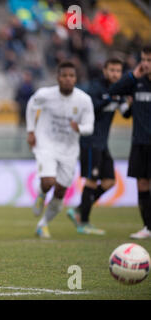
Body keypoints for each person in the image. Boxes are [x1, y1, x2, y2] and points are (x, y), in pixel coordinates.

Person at [26, 61, 94, 239]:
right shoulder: (46, 94)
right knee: (48, 181)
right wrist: (31, 130)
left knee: (60, 191)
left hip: (69, 150)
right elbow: (31, 106)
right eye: (64, 76)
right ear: (58, 77)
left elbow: (90, 126)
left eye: (71, 76)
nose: (68, 79)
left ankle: (43, 224)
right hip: (46, 144)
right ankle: (42, 194)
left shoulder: (84, 100)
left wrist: (79, 128)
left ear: (76, 78)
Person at [67, 58, 130, 235]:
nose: (115, 74)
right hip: (90, 142)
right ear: (105, 71)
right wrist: (112, 97)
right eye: (112, 70)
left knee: (109, 182)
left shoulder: (119, 90)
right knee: (92, 181)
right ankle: (83, 222)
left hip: (103, 143)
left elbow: (125, 113)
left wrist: (130, 103)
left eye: (118, 71)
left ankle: (79, 209)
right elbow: (91, 108)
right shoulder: (95, 88)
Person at [109, 45, 151, 239]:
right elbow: (114, 90)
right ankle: (147, 227)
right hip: (139, 142)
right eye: (143, 59)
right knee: (142, 185)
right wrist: (133, 75)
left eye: (149, 60)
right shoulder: (137, 82)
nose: (145, 64)